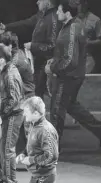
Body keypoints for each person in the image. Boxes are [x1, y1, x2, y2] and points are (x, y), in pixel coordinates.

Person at [47, 0, 101, 147]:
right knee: (72, 107)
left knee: (57, 111)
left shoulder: (72, 29)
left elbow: (70, 60)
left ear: (67, 13)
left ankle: (52, 148)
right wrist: (55, 60)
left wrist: (53, 68)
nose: (57, 13)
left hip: (68, 77)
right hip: (72, 75)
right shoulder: (71, 26)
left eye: (59, 11)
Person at [0, 0, 60, 98]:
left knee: (39, 95)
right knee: (37, 93)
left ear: (48, 2)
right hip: (38, 61)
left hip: (46, 63)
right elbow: (26, 23)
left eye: (40, 0)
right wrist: (6, 27)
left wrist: (33, 46)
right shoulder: (42, 15)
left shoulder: (53, 18)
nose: (37, 2)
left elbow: (52, 46)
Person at [0, 45, 24, 183]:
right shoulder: (1, 71)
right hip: (7, 114)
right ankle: (0, 176)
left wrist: (1, 114)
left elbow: (14, 99)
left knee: (7, 148)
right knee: (0, 146)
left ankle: (11, 181)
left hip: (13, 115)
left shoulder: (10, 74)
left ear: (2, 60)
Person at [77, 0, 101, 73]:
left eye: (79, 4)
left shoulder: (96, 20)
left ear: (85, 3)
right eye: (77, 4)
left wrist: (89, 42)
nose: (78, 7)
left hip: (89, 59)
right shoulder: (74, 19)